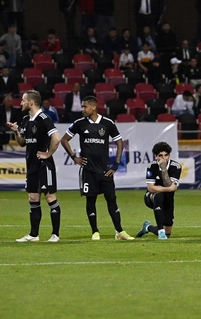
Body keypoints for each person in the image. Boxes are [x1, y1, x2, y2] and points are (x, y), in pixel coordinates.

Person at [60, 96, 135, 241]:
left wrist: (116, 164)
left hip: (105, 170)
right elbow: (64, 140)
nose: (82, 109)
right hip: (88, 170)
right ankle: (95, 231)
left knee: (112, 200)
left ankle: (119, 231)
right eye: (82, 107)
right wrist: (74, 157)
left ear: (93, 107)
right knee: (90, 200)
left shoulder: (107, 123)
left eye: (85, 107)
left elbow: (119, 142)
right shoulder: (79, 123)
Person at [7, 90, 61, 242]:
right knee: (33, 198)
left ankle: (55, 235)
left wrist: (48, 154)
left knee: (50, 197)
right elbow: (23, 142)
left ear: (31, 102)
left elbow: (56, 138)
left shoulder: (44, 118)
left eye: (23, 100)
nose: (21, 103)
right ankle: (33, 235)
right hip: (31, 166)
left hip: (44, 166)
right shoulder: (25, 120)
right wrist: (17, 132)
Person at [136, 142, 181, 240]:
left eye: (166, 155)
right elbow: (151, 188)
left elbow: (169, 184)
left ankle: (148, 227)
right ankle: (160, 230)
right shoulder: (151, 166)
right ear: (156, 156)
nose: (163, 158)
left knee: (168, 232)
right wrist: (168, 189)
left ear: (169, 155)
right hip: (151, 197)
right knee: (158, 195)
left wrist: (164, 169)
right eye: (160, 155)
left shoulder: (176, 166)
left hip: (168, 199)